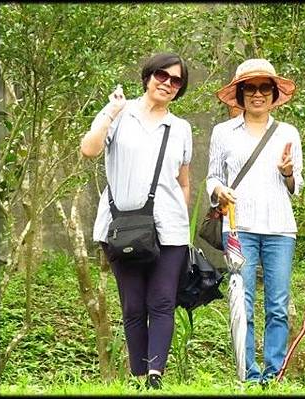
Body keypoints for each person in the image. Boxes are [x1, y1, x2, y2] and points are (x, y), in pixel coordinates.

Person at [80, 53, 192, 390]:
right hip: (122, 226)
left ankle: (155, 376)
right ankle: (138, 375)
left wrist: (182, 213)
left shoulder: (181, 128)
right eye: (163, 75)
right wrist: (110, 113)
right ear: (147, 76)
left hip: (169, 227)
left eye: (176, 81)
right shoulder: (119, 113)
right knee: (132, 303)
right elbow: (89, 149)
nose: (168, 84)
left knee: (162, 300)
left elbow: (184, 180)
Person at [207, 58, 303, 384]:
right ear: (240, 93)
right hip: (239, 227)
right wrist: (218, 190)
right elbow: (212, 178)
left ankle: (272, 374)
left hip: (280, 229)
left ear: (274, 94)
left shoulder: (288, 132)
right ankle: (248, 374)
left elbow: (297, 187)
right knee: (241, 304)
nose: (258, 94)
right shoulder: (223, 133)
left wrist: (288, 172)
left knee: (277, 304)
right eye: (251, 88)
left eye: (265, 88)